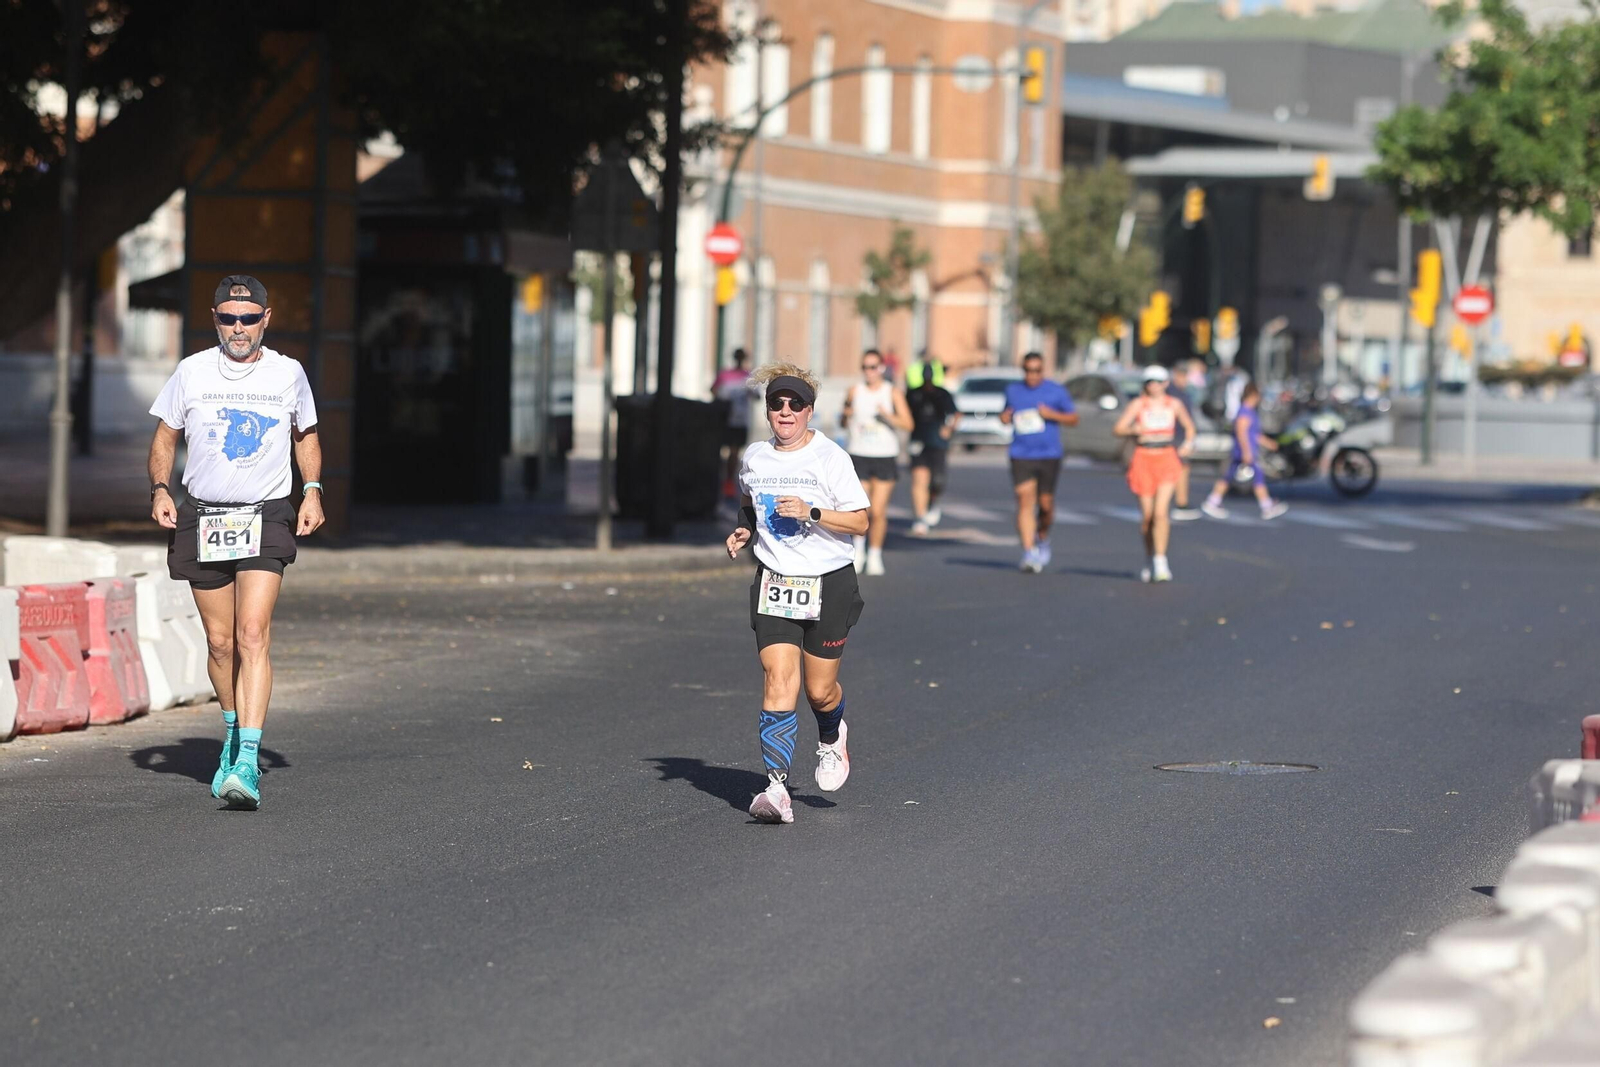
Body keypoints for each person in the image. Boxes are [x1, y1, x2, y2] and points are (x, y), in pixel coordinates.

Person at [147, 275, 324, 810]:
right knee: (221, 643)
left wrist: (311, 491)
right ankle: (231, 729)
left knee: (252, 633)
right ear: (215, 319)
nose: (239, 328)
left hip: (266, 515)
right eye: (229, 318)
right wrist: (160, 488)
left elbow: (306, 436)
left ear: (266, 319)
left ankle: (247, 757)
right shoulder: (191, 371)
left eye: (249, 318)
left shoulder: (288, 373)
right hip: (203, 516)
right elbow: (164, 436)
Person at [726, 362, 871, 825]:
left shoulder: (831, 458)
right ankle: (776, 787)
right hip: (776, 580)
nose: (785, 412)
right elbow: (749, 505)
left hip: (829, 581)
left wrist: (812, 512)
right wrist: (745, 532)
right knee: (777, 678)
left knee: (819, 690)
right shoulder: (753, 457)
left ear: (809, 411)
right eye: (776, 403)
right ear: (768, 411)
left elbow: (862, 522)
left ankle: (831, 737)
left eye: (795, 404)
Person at [1114, 366, 1196, 582]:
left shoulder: (1174, 404)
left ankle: (1161, 561)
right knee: (1148, 517)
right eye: (1150, 382)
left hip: (1166, 456)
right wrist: (1134, 430)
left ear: (1165, 384)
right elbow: (1119, 428)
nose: (1154, 386)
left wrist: (1188, 444)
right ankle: (1149, 556)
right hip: (1144, 457)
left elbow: (1189, 427)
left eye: (1158, 381)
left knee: (1161, 513)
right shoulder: (1138, 405)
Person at [1000, 351, 1078, 573]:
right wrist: (1004, 418)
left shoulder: (1056, 391)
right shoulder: (1013, 391)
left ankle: (1042, 536)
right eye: (1027, 370)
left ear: (1043, 370)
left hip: (1049, 454)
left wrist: (1052, 415)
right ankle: (1028, 551)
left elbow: (1073, 418)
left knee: (1045, 506)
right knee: (1025, 500)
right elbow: (1005, 414)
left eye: (1036, 370)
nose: (1032, 375)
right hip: (1021, 453)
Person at [841, 348, 913, 575]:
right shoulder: (855, 390)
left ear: (881, 368)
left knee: (879, 511)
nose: (869, 372)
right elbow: (844, 420)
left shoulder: (892, 393)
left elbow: (908, 424)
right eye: (865, 367)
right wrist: (846, 414)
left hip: (884, 455)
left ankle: (874, 554)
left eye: (873, 367)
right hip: (859, 453)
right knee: (861, 509)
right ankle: (858, 551)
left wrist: (887, 415)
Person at [1202, 382, 1289, 521]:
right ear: (1253, 395)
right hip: (1243, 451)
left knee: (1228, 476)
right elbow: (1241, 433)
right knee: (1257, 476)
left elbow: (1254, 434)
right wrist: (1246, 451)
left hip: (1246, 450)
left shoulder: (1250, 412)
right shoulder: (1245, 412)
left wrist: (1268, 443)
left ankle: (1213, 501)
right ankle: (1266, 506)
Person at [906, 357, 961, 536]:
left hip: (937, 442)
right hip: (918, 441)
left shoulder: (942, 394)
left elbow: (955, 414)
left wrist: (948, 428)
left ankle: (932, 501)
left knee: (937, 481)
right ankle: (920, 518)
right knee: (919, 479)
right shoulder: (913, 394)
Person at [713, 347, 753, 499]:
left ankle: (728, 482)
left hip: (739, 419)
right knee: (729, 452)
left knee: (734, 452)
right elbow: (714, 389)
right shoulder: (726, 374)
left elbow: (755, 395)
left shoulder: (747, 376)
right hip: (727, 418)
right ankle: (726, 481)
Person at [1170, 359, 1205, 522]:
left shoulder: (1184, 392)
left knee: (1182, 468)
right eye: (1182, 375)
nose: (1184, 379)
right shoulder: (1172, 392)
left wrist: (1191, 440)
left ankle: (1180, 502)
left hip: (1182, 435)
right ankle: (1180, 503)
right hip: (1173, 436)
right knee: (1179, 469)